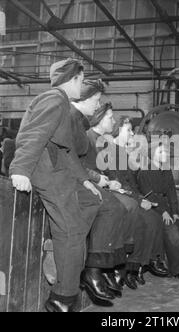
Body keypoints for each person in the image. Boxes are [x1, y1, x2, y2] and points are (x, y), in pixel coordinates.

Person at [10, 58, 110, 312]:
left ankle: (66, 262)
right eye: (81, 78)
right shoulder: (54, 99)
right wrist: (20, 169)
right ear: (73, 79)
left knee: (90, 203)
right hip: (47, 172)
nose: (82, 83)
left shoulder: (61, 102)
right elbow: (32, 135)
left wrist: (85, 180)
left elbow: (66, 151)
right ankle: (62, 297)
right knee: (71, 230)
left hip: (60, 169)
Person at [86, 105, 170, 288]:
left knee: (152, 219)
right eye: (129, 130)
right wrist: (138, 199)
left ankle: (139, 265)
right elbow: (115, 180)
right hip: (109, 192)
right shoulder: (105, 146)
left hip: (122, 192)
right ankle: (125, 266)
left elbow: (130, 183)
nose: (132, 134)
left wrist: (141, 197)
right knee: (141, 218)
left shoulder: (120, 152)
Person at [69, 79, 129, 299]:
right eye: (96, 100)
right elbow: (74, 160)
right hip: (71, 182)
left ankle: (107, 267)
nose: (97, 104)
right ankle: (96, 269)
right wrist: (96, 179)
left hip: (82, 179)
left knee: (121, 208)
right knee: (113, 207)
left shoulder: (82, 125)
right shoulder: (79, 126)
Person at [137, 141, 179, 280]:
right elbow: (149, 195)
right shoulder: (144, 171)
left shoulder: (166, 170)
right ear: (152, 154)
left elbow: (171, 193)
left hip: (168, 209)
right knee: (172, 231)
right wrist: (163, 212)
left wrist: (175, 212)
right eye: (160, 152)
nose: (165, 154)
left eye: (166, 152)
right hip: (153, 209)